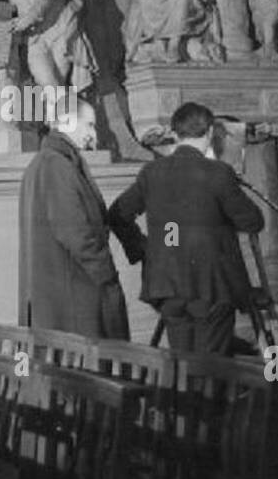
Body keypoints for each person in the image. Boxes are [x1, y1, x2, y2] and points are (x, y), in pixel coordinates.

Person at [109, 101, 264, 354]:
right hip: (211, 286)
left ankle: (185, 395)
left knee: (182, 365)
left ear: (175, 133)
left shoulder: (151, 172)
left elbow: (117, 215)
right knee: (210, 367)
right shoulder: (218, 172)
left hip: (166, 285)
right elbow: (253, 221)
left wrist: (143, 248)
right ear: (211, 132)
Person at [18, 97, 130, 340]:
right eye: (89, 125)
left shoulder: (45, 163)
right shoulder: (57, 165)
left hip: (62, 297)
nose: (93, 134)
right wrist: (107, 274)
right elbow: (75, 234)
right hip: (76, 299)